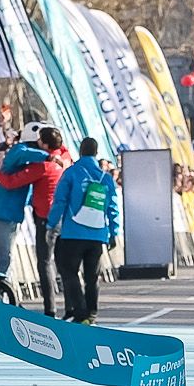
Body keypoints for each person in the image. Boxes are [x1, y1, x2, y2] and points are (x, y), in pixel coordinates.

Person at [0, 128, 69, 312]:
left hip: (45, 217)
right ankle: (73, 306)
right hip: (65, 217)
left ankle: (50, 309)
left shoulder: (43, 165)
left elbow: (12, 182)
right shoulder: (65, 159)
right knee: (64, 263)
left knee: (44, 263)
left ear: (44, 144)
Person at [49, 136, 117, 323]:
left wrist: (50, 224)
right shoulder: (106, 178)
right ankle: (92, 313)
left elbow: (60, 201)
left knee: (69, 272)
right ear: (96, 153)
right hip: (97, 234)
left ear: (80, 151)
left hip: (73, 233)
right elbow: (112, 208)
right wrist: (113, 232)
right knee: (92, 276)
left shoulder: (71, 173)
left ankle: (80, 311)